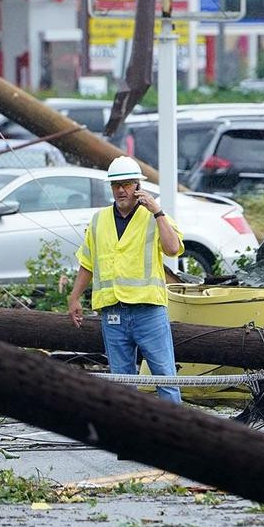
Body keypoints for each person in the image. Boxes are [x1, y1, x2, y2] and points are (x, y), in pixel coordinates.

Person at [67, 156, 184, 403]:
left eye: (128, 184)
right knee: (123, 383)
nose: (121, 190)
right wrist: (75, 296)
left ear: (138, 186)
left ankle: (176, 436)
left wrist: (158, 212)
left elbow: (173, 248)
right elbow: (88, 262)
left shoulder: (153, 217)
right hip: (113, 313)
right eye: (116, 184)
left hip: (148, 311)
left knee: (165, 378)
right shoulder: (99, 220)